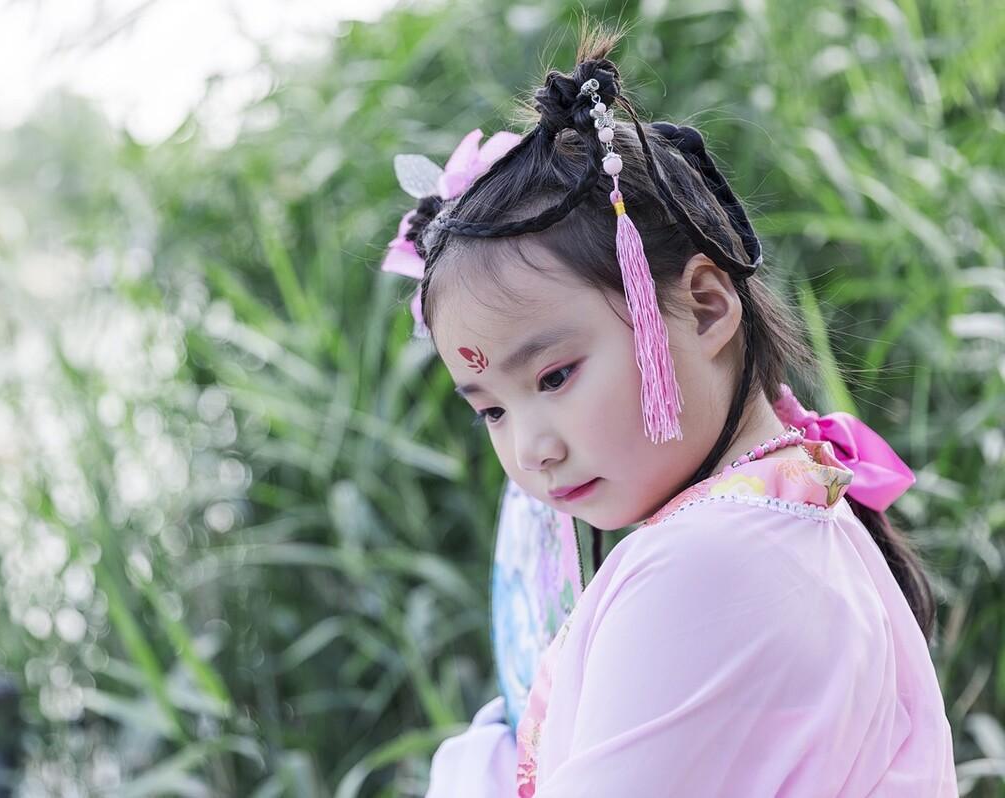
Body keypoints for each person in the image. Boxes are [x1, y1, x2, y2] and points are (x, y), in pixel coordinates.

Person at [380, 21, 959, 798]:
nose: (531, 450)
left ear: (707, 306)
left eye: (554, 377)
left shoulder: (707, 561)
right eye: (491, 412)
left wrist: (471, 770)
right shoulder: (791, 517)